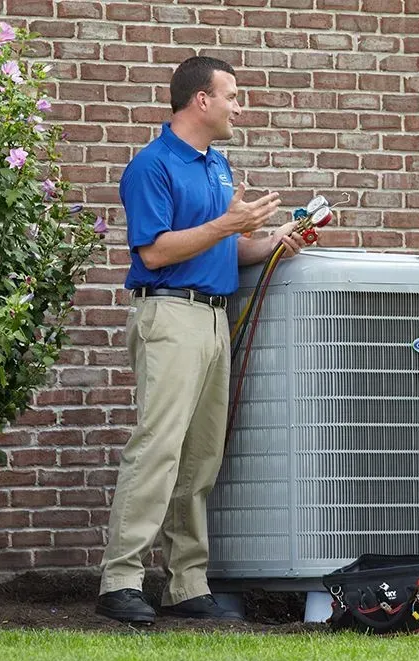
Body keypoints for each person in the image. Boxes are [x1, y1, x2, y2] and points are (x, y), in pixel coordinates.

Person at [96, 56, 306, 625]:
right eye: (233, 95)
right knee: (158, 448)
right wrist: (227, 226)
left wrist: (272, 241)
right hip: (170, 317)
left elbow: (223, 248)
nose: (241, 106)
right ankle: (121, 578)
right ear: (201, 101)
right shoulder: (152, 166)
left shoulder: (217, 167)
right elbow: (157, 251)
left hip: (214, 318)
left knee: (201, 456)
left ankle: (187, 582)